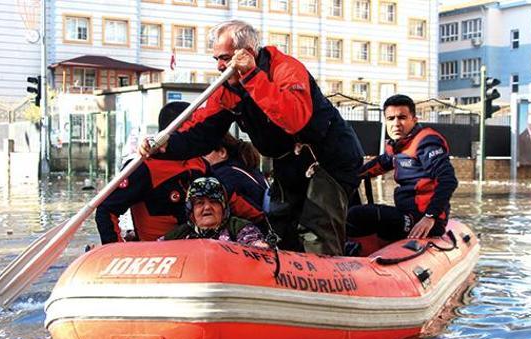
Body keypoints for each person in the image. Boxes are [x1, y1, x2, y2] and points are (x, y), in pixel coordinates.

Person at [140, 19, 363, 256]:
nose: (219, 66)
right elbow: (203, 132)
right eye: (216, 59)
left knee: (316, 227)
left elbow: (294, 118)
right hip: (289, 161)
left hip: (329, 159)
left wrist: (252, 76)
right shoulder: (228, 88)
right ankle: (283, 283)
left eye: (224, 58)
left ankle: (325, 279)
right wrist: (166, 145)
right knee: (279, 224)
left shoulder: (285, 69)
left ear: (246, 53)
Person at [346, 94, 458, 244]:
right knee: (352, 208)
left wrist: (430, 217)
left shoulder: (426, 142)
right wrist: (351, 176)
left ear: (414, 119)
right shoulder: (398, 145)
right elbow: (380, 164)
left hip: (423, 220)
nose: (396, 124)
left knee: (358, 215)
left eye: (402, 117)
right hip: (405, 213)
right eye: (391, 119)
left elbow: (448, 180)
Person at [95, 101, 210, 243]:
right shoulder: (143, 167)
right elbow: (106, 210)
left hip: (199, 244)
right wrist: (115, 250)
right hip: (159, 250)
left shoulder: (199, 162)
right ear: (180, 129)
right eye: (195, 127)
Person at [161, 177, 268, 247]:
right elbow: (155, 248)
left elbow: (255, 246)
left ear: (223, 207)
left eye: (214, 201)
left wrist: (258, 245)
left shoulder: (239, 227)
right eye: (199, 203)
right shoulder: (179, 234)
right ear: (191, 210)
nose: (207, 207)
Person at [204, 134, 269, 215]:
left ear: (222, 152)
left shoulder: (224, 175)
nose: (201, 159)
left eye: (204, 154)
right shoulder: (249, 169)